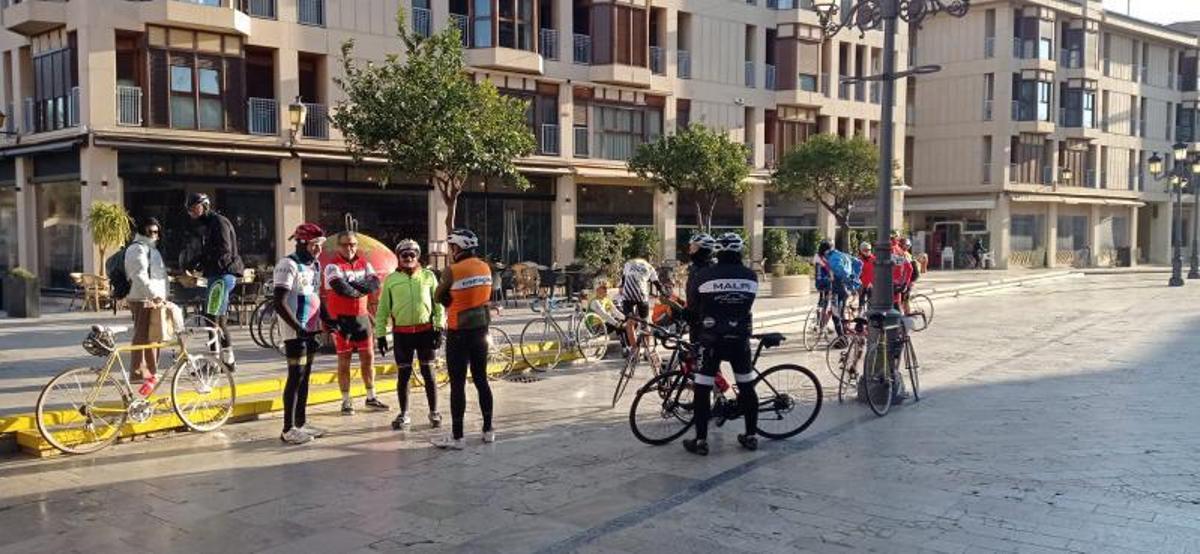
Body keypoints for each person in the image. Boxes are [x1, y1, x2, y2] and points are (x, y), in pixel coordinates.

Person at [682, 232, 759, 456]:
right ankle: (751, 436)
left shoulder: (704, 276)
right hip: (739, 340)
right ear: (739, 251)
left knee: (703, 388)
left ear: (718, 251)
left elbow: (693, 308)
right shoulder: (751, 277)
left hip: (710, 339)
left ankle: (700, 440)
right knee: (746, 387)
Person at [431, 228, 495, 449]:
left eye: (452, 247)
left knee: (458, 384)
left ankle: (458, 437)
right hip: (481, 329)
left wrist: (452, 302)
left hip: (459, 333)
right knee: (481, 379)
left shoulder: (453, 270)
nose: (450, 251)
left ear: (457, 248)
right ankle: (488, 430)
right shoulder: (486, 267)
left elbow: (438, 295)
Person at [375, 239, 443, 430]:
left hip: (425, 332)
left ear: (418, 256)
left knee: (428, 373)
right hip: (402, 334)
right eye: (404, 255)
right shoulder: (391, 280)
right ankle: (404, 414)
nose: (408, 258)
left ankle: (434, 412)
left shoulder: (429, 276)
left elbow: (438, 305)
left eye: (412, 254)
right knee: (403, 375)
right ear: (399, 257)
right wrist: (380, 335)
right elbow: (382, 310)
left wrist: (439, 327)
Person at [273, 223, 327, 445]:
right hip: (296, 330)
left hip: (311, 328)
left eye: (320, 245)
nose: (318, 250)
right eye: (315, 245)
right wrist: (298, 327)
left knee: (305, 377)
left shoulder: (315, 265)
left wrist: (329, 320)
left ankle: (301, 422)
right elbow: (279, 301)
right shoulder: (288, 264)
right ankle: (288, 428)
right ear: (303, 243)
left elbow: (316, 295)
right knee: (295, 376)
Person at [323, 230, 386, 415]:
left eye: (352, 244)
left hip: (362, 318)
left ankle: (371, 397)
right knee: (344, 362)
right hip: (341, 320)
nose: (349, 248)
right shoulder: (332, 267)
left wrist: (355, 287)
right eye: (345, 244)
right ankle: (345, 400)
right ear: (339, 246)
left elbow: (374, 284)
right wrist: (361, 288)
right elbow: (341, 289)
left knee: (368, 359)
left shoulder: (365, 263)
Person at [182, 192, 243, 372]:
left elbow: (224, 249)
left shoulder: (219, 222)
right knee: (219, 319)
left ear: (205, 205)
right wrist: (196, 262)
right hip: (217, 275)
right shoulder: (209, 225)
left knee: (211, 318)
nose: (192, 213)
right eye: (190, 210)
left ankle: (216, 364)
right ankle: (228, 360)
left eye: (194, 208)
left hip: (222, 275)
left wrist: (201, 261)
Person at [124, 217, 168, 383]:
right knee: (142, 336)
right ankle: (137, 373)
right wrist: (153, 295)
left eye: (156, 231)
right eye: (150, 231)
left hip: (152, 298)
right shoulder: (138, 249)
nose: (154, 234)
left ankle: (150, 371)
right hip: (141, 297)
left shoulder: (150, 249)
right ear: (142, 231)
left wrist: (162, 295)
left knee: (153, 336)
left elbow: (157, 274)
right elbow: (139, 276)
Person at [617, 257, 662, 353]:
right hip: (642, 296)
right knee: (645, 323)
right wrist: (663, 293)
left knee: (630, 322)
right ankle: (647, 351)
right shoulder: (649, 267)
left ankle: (635, 349)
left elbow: (623, 279)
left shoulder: (628, 263)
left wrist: (621, 288)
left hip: (628, 295)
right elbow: (657, 283)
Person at [814, 240, 852, 342]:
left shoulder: (828, 259)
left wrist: (821, 284)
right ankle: (843, 336)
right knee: (839, 312)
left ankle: (842, 339)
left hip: (836, 289)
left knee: (836, 315)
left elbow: (822, 276)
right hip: (843, 289)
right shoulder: (839, 255)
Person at [857, 242, 876, 313]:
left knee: (871, 302)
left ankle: (870, 317)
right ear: (861, 250)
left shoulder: (874, 259)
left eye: (869, 250)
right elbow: (856, 273)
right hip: (862, 284)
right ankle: (860, 316)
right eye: (865, 250)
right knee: (861, 302)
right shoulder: (858, 260)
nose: (867, 251)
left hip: (871, 284)